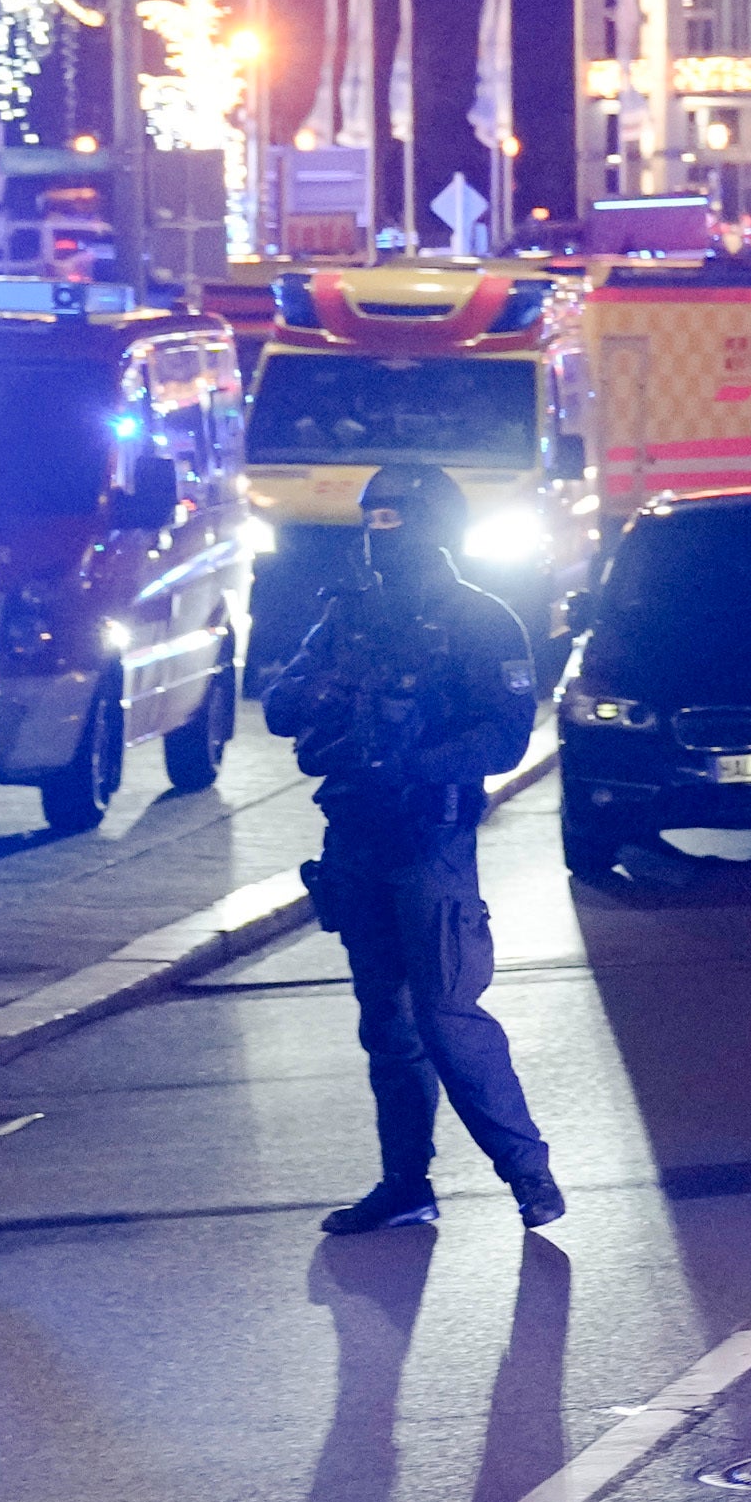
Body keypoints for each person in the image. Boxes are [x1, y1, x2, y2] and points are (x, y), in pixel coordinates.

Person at [269, 459, 562, 1238]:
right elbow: (279, 705)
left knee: (446, 1015)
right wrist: (327, 694)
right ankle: (405, 1185)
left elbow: (504, 736)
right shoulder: (346, 616)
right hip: (355, 837)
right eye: (371, 520)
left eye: (393, 521)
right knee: (386, 1027)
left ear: (430, 526)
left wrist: (412, 760)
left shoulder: (478, 618)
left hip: (430, 838)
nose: (377, 535)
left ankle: (529, 1176)